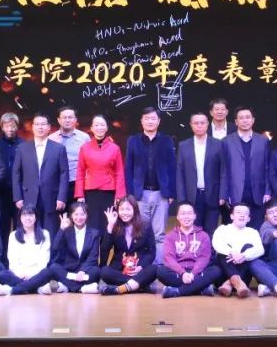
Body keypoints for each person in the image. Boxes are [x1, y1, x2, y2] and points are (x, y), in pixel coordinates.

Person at [125, 106, 177, 265]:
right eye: (146, 118)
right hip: (140, 194)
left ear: (159, 121)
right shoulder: (133, 140)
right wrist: (130, 193)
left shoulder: (167, 140)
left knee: (159, 234)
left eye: (153, 118)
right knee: (140, 232)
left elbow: (172, 167)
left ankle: (158, 266)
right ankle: (142, 266)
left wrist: (171, 193)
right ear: (141, 121)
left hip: (161, 193)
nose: (150, 121)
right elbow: (128, 168)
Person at [12, 113, 70, 241]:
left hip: (51, 197)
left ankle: (51, 254)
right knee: (29, 231)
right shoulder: (22, 148)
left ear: (49, 127)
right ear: (32, 127)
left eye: (43, 124)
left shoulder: (59, 149)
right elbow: (16, 174)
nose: (40, 127)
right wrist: (17, 197)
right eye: (37, 124)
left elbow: (64, 175)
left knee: (51, 232)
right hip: (28, 196)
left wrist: (61, 197)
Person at [175, 112, 227, 235]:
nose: (199, 126)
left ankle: (209, 249)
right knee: (193, 230)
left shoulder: (218, 144)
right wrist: (182, 198)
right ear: (191, 125)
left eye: (202, 123)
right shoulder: (183, 145)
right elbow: (180, 173)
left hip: (213, 194)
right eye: (196, 123)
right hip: (191, 196)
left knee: (210, 230)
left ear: (207, 124)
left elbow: (223, 171)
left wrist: (223, 194)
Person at [75, 115, 126, 233]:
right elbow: (80, 172)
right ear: (92, 128)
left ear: (107, 128)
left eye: (102, 125)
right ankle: (93, 246)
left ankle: (106, 246)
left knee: (108, 225)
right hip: (90, 193)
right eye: (96, 125)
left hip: (109, 192)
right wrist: (80, 195)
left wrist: (119, 196)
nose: (99, 128)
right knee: (92, 226)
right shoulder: (84, 148)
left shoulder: (115, 148)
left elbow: (119, 173)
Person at [221, 106, 271, 227]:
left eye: (248, 117)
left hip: (258, 194)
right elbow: (224, 170)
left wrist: (267, 191)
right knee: (235, 231)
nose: (245, 120)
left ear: (253, 120)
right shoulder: (226, 141)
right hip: (235, 194)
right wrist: (224, 194)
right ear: (236, 121)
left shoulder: (263, 141)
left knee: (256, 230)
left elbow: (267, 168)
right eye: (241, 118)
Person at [159, 201, 221, 298]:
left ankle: (177, 291)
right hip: (178, 273)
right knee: (161, 271)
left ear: (195, 216)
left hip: (197, 272)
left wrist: (193, 274)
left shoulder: (203, 235)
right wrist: (182, 273)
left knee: (216, 270)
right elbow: (169, 258)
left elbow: (203, 258)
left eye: (189, 213)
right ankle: (200, 288)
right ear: (177, 217)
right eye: (183, 213)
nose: (186, 216)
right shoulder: (170, 236)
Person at [99, 195, 158, 295]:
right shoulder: (114, 225)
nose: (124, 213)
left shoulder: (145, 225)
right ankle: (139, 286)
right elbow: (105, 249)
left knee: (154, 269)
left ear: (135, 210)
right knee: (104, 271)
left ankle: (119, 289)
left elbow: (151, 252)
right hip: (119, 270)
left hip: (138, 270)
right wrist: (110, 226)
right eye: (121, 209)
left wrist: (140, 267)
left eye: (128, 209)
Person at [0, 206, 52, 296]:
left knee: (47, 272)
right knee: (2, 274)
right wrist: (20, 273)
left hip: (37, 273)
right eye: (24, 215)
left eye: (31, 215)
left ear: (36, 217)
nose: (28, 218)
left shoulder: (45, 234)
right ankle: (36, 288)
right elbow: (12, 259)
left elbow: (44, 260)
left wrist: (31, 274)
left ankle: (13, 290)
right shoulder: (13, 235)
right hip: (19, 274)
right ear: (20, 218)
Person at [210, 202, 263, 298]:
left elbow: (260, 249)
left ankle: (229, 284)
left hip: (244, 278)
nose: (242, 215)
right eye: (238, 212)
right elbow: (216, 244)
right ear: (232, 216)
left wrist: (244, 256)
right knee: (222, 253)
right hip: (223, 276)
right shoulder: (222, 229)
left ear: (249, 218)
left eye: (245, 213)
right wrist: (232, 253)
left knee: (248, 248)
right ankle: (236, 282)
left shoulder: (253, 232)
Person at [48, 202, 102, 293]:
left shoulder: (94, 233)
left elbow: (93, 257)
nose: (79, 217)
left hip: (85, 271)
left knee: (96, 271)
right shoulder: (66, 231)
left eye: (82, 214)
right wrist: (61, 229)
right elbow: (55, 247)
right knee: (54, 267)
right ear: (71, 216)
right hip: (69, 270)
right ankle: (81, 288)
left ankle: (67, 286)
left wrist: (83, 271)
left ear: (87, 215)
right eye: (76, 214)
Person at [0, 112, 25, 246]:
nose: (10, 129)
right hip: (0, 192)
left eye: (12, 126)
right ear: (2, 127)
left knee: (20, 226)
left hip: (20, 193)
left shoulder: (24, 144)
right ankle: (2, 256)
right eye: (6, 126)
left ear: (17, 126)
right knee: (2, 227)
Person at [49, 105, 90, 202]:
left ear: (75, 120)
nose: (67, 120)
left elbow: (89, 162)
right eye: (64, 117)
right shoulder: (51, 139)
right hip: (58, 184)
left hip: (78, 183)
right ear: (58, 120)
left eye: (70, 117)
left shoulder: (84, 138)